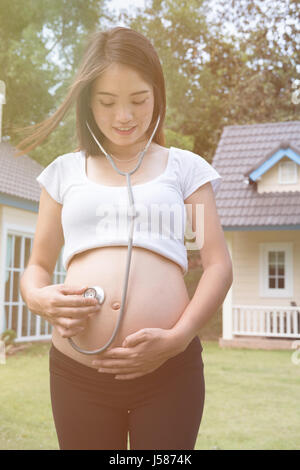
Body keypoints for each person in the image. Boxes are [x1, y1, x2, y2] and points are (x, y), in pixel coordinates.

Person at [18, 26, 233, 450]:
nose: (124, 116)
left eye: (139, 100)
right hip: (78, 374)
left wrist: (178, 338)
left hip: (169, 375)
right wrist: (38, 299)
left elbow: (217, 264)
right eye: (107, 102)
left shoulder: (185, 170)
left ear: (157, 94)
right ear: (87, 102)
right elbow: (37, 266)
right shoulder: (63, 172)